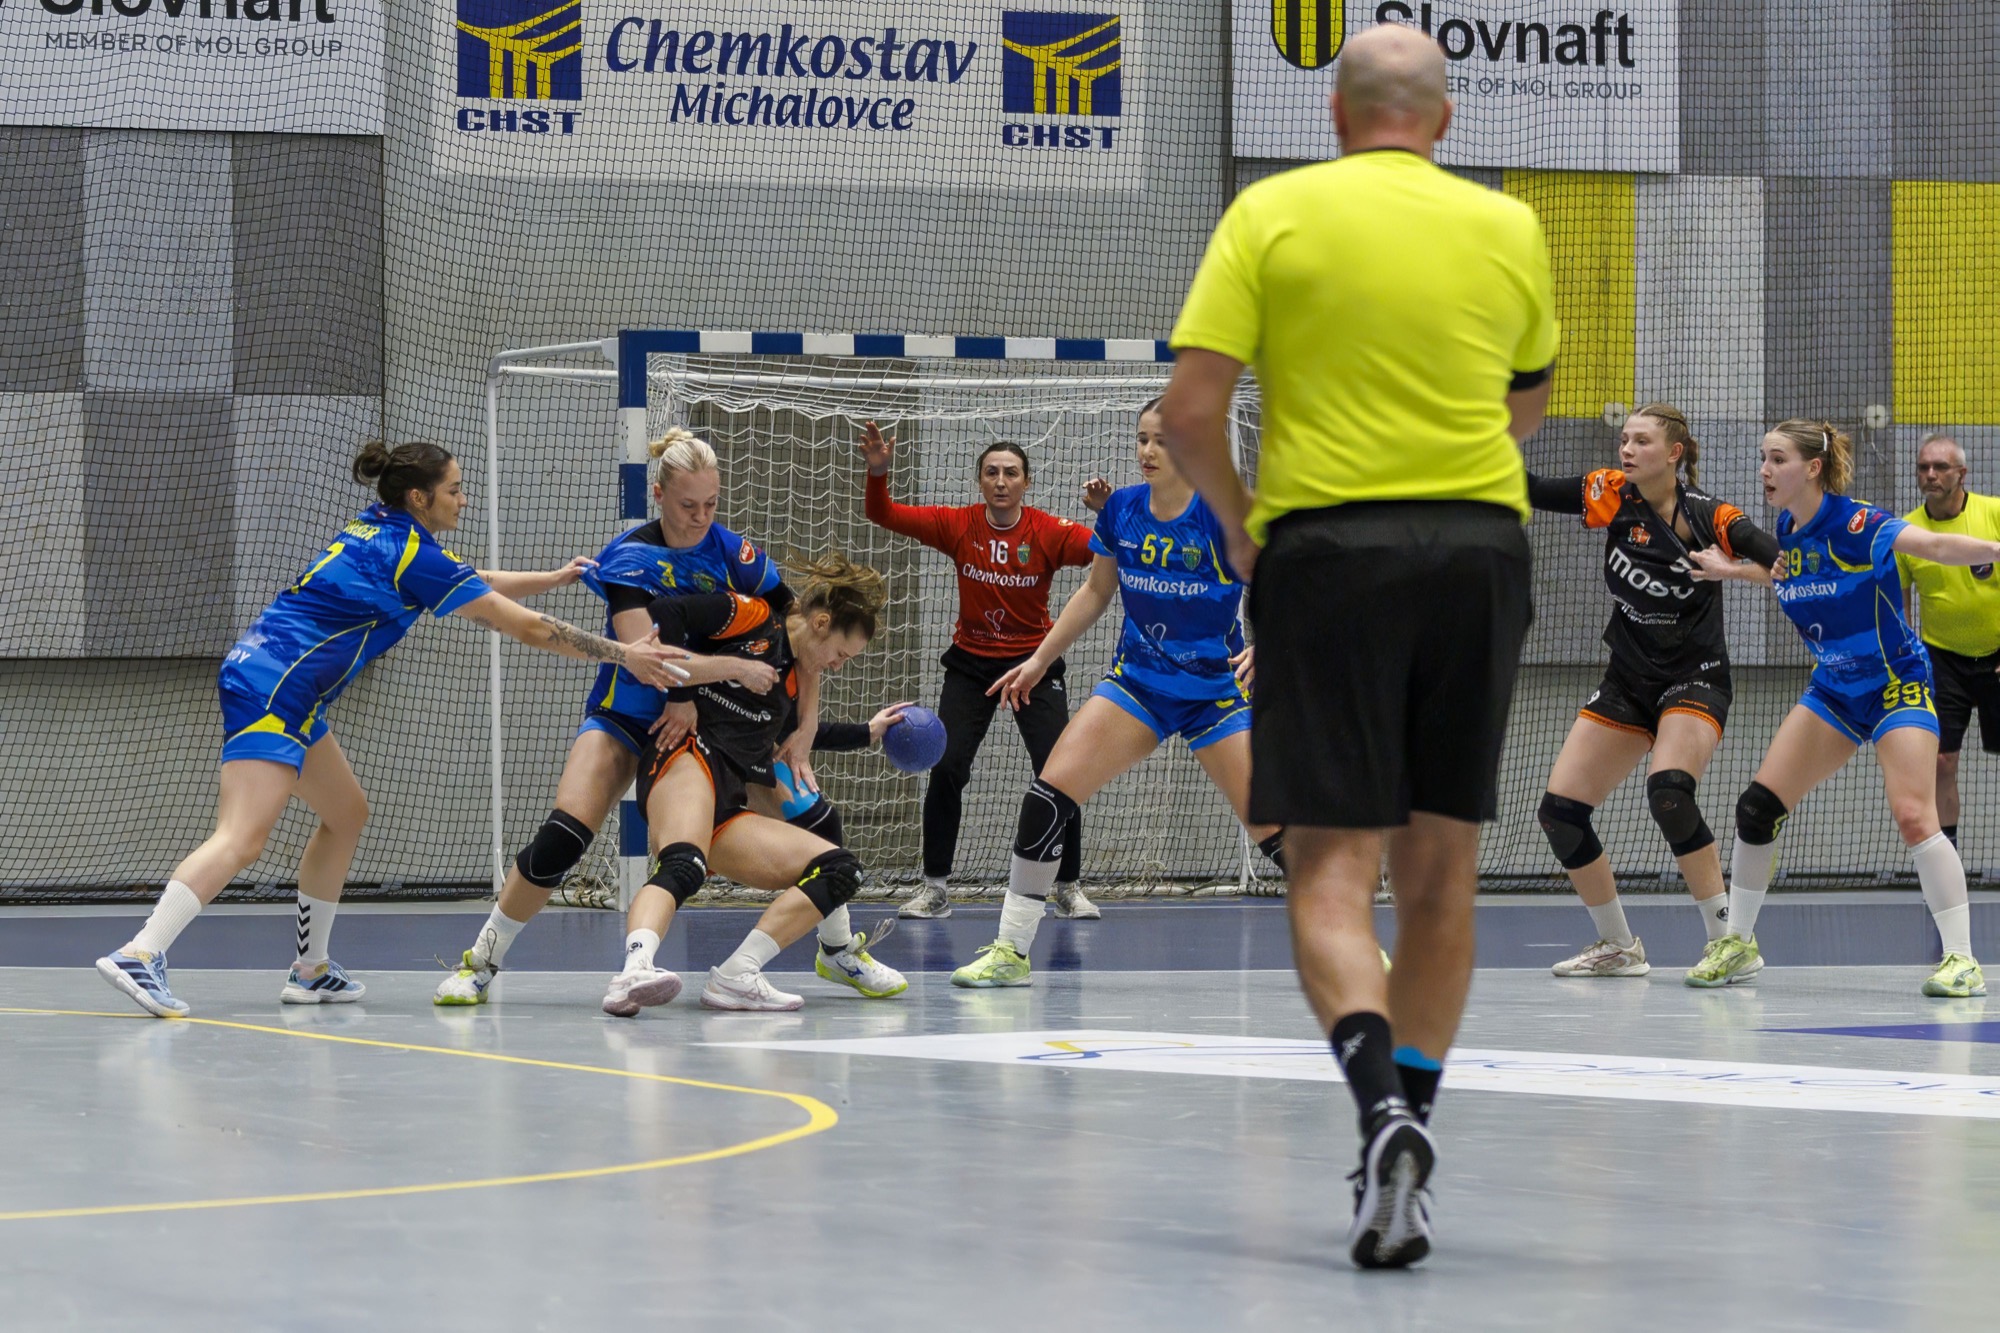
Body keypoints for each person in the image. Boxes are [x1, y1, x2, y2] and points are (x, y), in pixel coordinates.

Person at [1157, 24, 1557, 1269]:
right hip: (1479, 549)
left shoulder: (1271, 214)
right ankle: (1409, 1144)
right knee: (1443, 874)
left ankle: (1379, 1109)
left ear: (1333, 117)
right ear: (1444, 120)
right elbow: (1525, 402)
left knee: (1330, 871)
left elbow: (1187, 412)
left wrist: (1240, 528)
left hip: (1328, 553)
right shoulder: (1508, 226)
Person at [96, 440, 689, 1019]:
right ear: (419, 497)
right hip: (274, 688)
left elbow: (468, 578)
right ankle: (141, 952)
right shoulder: (413, 556)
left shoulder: (381, 529)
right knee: (241, 838)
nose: (463, 499)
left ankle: (310, 969)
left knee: (346, 813)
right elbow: (529, 629)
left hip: (279, 682)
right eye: (454, 490)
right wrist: (625, 654)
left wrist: (550, 578)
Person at [431, 427, 787, 1005]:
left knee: (789, 826)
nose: (701, 518)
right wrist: (731, 668)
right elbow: (649, 661)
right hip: (627, 715)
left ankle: (831, 947)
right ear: (658, 495)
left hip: (707, 727)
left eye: (711, 504)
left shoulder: (733, 552)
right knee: (563, 837)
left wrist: (791, 718)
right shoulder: (631, 557)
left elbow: (790, 626)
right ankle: (481, 962)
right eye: (687, 506)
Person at [947, 400, 1281, 985]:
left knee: (1274, 827)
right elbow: (1096, 593)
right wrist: (1038, 660)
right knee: (1047, 796)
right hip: (1137, 687)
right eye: (1142, 438)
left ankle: (1352, 945)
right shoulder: (1123, 509)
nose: (1147, 451)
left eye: (1162, 441)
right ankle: (1011, 952)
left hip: (1214, 694)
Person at [1685, 421, 1988, 998]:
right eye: (1763, 458)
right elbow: (1790, 574)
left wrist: (1995, 550)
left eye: (1777, 459)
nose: (1764, 470)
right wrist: (1732, 570)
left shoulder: (1857, 523)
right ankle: (1739, 944)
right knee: (1757, 808)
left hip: (1896, 683)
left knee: (1915, 816)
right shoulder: (1785, 529)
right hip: (1835, 689)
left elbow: (1933, 546)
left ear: (1813, 468)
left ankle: (1962, 960)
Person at [1525, 405, 1780, 977]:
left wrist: (1733, 570)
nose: (1627, 449)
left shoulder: (1711, 516)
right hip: (1628, 679)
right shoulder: (1610, 494)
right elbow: (1532, 489)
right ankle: (1619, 946)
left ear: (1674, 453)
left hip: (1695, 678)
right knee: (1560, 813)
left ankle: (1729, 943)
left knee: (1669, 793)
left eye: (1641, 441)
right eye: (1624, 439)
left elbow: (1783, 564)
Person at [605, 553, 907, 1014]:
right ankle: (634, 970)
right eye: (840, 654)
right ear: (821, 623)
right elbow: (668, 613)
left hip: (730, 798)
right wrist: (688, 693)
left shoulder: (793, 682)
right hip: (687, 756)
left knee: (840, 869)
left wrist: (867, 732)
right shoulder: (754, 619)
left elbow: (805, 735)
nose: (838, 666)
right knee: (683, 865)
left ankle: (737, 974)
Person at [859, 424, 1100, 919]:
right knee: (947, 767)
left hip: (1033, 665)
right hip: (971, 666)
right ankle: (934, 888)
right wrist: (878, 471)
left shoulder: (1049, 531)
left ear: (1026, 482)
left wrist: (1108, 511)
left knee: (1060, 771)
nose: (1001, 481)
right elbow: (883, 513)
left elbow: (1109, 549)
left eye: (1011, 473)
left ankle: (1068, 886)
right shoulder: (958, 524)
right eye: (991, 472)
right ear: (979, 481)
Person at [1896, 433, 2000, 853]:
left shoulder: (1993, 513)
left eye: (1940, 467)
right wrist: (1906, 663)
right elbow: (1901, 609)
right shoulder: (1905, 532)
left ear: (1962, 473)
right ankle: (1948, 859)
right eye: (1924, 467)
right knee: (1941, 761)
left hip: (1997, 654)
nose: (1931, 475)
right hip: (1942, 660)